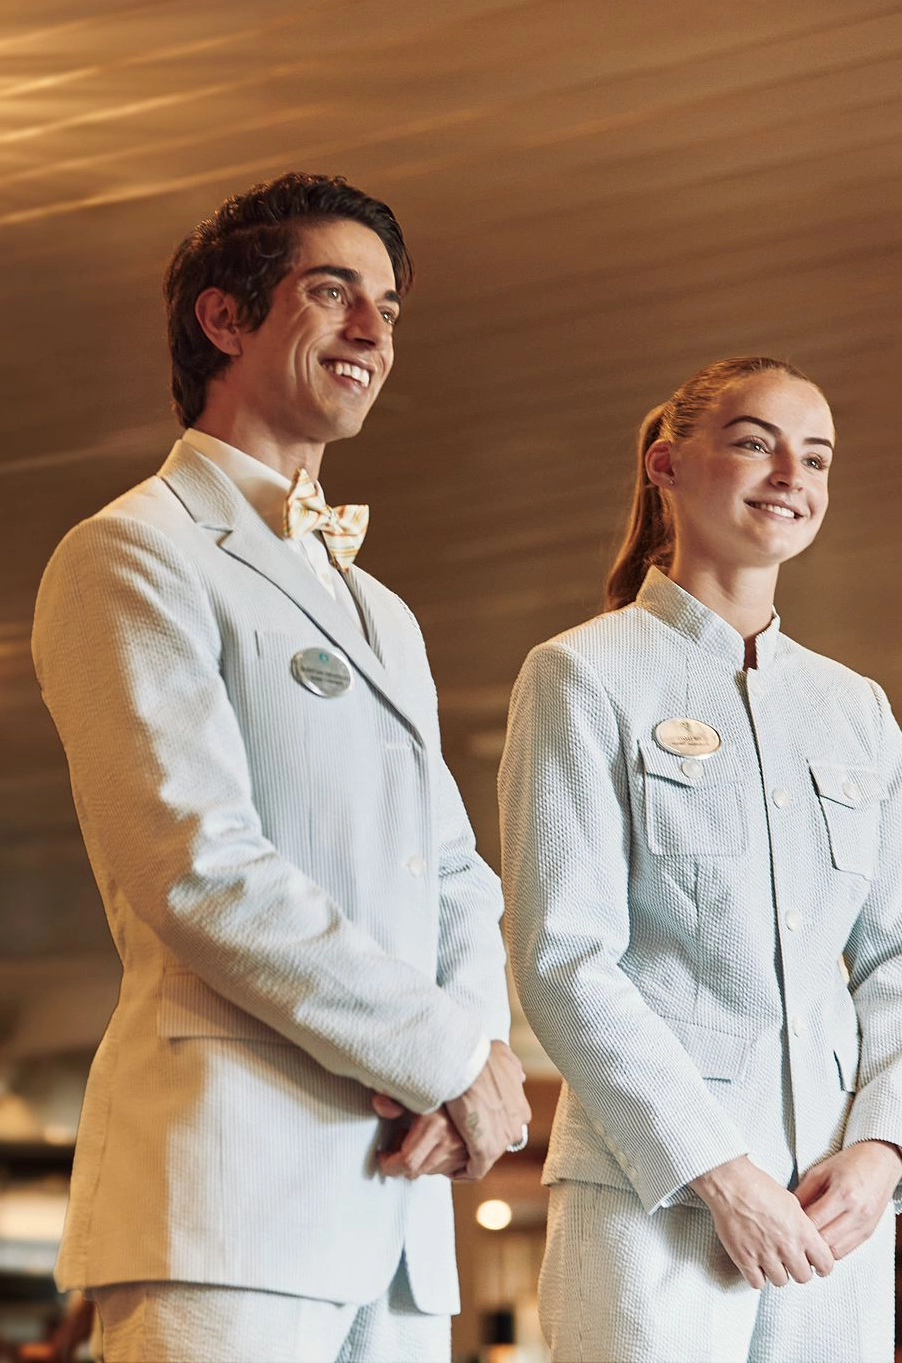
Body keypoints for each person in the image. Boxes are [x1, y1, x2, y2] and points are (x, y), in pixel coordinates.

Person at [31, 173, 530, 1363]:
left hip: (398, 1213)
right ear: (224, 318)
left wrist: (477, 1056)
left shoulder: (381, 608)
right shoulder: (130, 553)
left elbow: (454, 874)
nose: (372, 332)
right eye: (332, 293)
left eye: (388, 308)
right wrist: (448, 1056)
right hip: (225, 1203)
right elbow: (197, 866)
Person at [498, 356, 902, 1362]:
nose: (791, 475)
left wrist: (882, 1148)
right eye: (755, 443)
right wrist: (715, 1168)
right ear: (666, 466)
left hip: (834, 1213)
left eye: (816, 457)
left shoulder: (854, 708)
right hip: (649, 1198)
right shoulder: (582, 674)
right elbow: (562, 957)